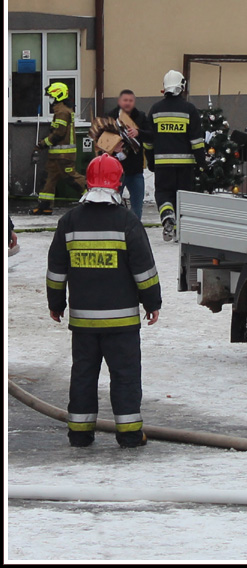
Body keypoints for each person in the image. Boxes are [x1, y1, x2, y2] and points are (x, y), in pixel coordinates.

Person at [46, 154, 161, 448]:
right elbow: (144, 270)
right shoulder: (127, 222)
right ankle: (130, 434)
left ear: (89, 182)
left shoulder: (68, 222)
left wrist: (56, 304)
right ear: (118, 183)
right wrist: (152, 302)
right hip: (122, 323)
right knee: (125, 377)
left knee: (83, 375)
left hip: (84, 322)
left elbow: (56, 271)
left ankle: (80, 433)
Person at [139, 70, 206, 241]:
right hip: (186, 165)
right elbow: (196, 141)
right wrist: (201, 163)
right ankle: (181, 232)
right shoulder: (189, 109)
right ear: (182, 86)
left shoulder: (155, 110)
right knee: (183, 196)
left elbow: (148, 140)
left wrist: (151, 160)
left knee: (163, 193)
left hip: (163, 164)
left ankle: (167, 215)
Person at [30, 83, 87, 215]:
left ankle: (91, 194)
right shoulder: (62, 109)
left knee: (70, 178)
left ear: (58, 95)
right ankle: (44, 206)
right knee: (48, 178)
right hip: (57, 156)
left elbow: (59, 133)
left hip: (63, 156)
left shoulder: (62, 111)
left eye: (51, 96)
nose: (50, 99)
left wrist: (43, 143)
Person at [108, 89, 150, 220]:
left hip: (135, 170)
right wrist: (113, 147)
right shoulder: (110, 117)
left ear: (134, 102)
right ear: (119, 101)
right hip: (116, 171)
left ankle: (135, 230)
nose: (127, 103)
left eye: (130, 100)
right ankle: (115, 228)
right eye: (125, 100)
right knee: (113, 205)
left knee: (137, 206)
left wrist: (138, 133)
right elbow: (100, 140)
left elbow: (152, 135)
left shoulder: (141, 117)